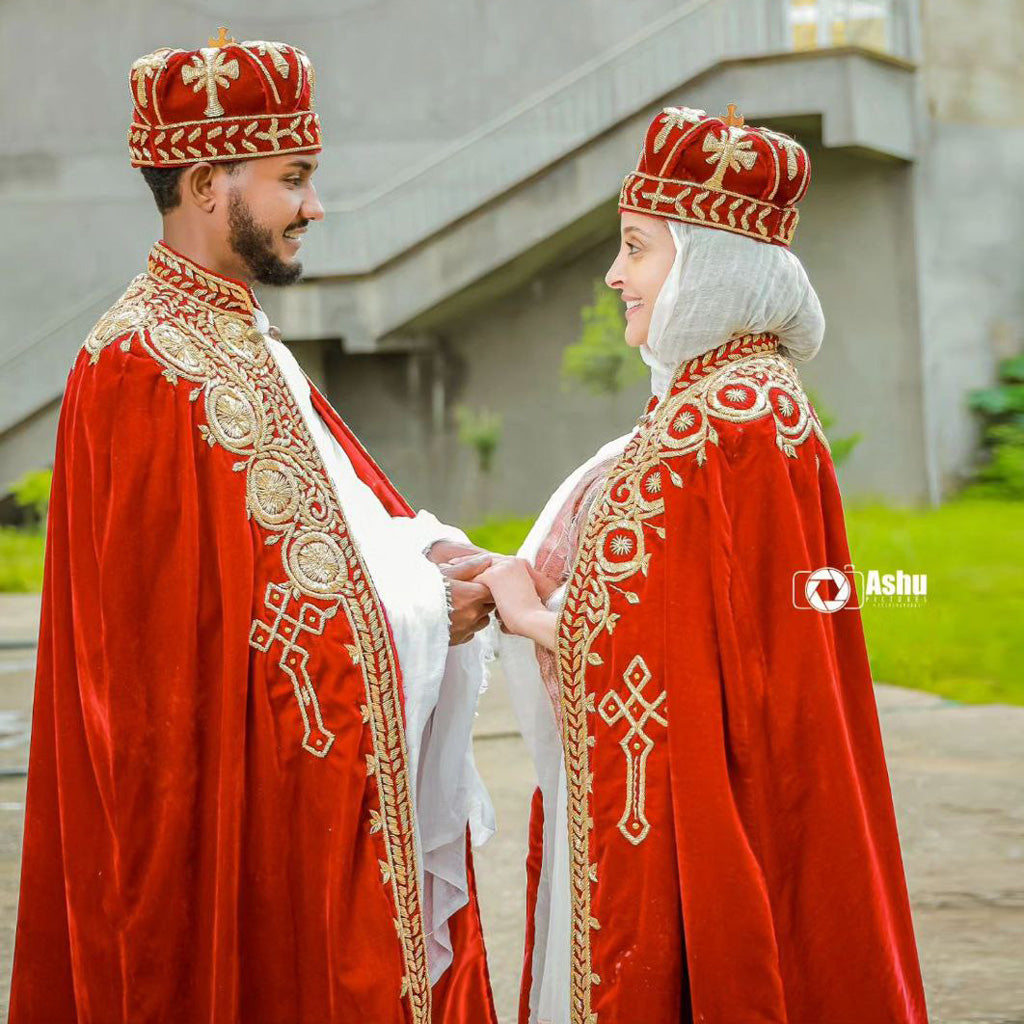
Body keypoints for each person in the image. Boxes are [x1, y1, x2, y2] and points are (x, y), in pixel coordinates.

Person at [9, 31, 498, 1023]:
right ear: (203, 184)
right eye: (295, 179)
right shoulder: (143, 367)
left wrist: (422, 555)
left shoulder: (235, 338)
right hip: (218, 842)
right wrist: (421, 614)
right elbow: (164, 678)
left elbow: (329, 528)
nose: (315, 205)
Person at [482, 104, 928, 1023]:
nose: (615, 274)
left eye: (638, 248)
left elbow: (667, 644)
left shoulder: (716, 423)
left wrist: (533, 617)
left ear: (711, 262)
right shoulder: (750, 399)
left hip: (696, 811)